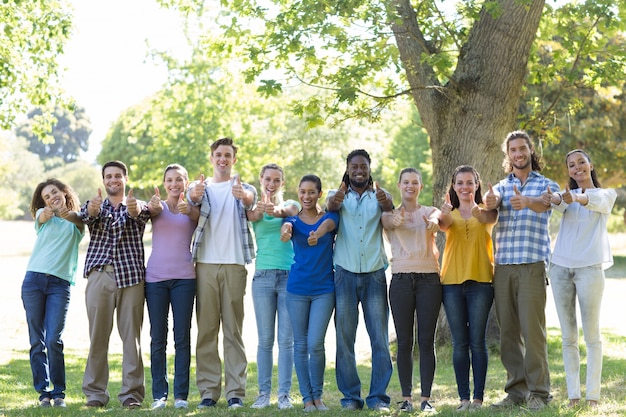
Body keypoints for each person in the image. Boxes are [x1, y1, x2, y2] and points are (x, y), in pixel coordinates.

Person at [484, 131, 559, 411]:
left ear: (530, 151)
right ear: (508, 155)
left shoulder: (546, 184)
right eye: (513, 149)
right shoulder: (501, 187)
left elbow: (545, 204)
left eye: (522, 148)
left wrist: (527, 202)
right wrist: (488, 204)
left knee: (533, 330)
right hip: (503, 266)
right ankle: (516, 391)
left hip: (532, 265)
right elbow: (488, 211)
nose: (518, 153)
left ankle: (539, 392)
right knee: (508, 332)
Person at [80, 160, 160, 409]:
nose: (113, 180)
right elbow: (87, 217)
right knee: (98, 337)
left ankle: (131, 395)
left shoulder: (138, 205)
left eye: (117, 176)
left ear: (125, 179)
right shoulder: (94, 205)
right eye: (108, 176)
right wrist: (92, 212)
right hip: (100, 276)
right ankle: (95, 393)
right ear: (103, 181)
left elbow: (141, 215)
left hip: (132, 279)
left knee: (131, 339)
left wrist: (135, 211)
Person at [187, 137, 257, 409]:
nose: (223, 159)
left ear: (234, 159)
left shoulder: (244, 188)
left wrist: (245, 196)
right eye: (218, 154)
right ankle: (208, 392)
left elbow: (252, 203)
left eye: (228, 155)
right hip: (204, 264)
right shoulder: (200, 187)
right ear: (212, 157)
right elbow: (192, 201)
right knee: (206, 330)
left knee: (233, 331)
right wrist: (193, 196)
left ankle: (236, 392)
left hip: (235, 265)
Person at [545, 149, 616, 409]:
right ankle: (574, 394)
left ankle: (593, 396)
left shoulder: (606, 195)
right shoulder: (566, 197)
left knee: (592, 335)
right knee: (568, 337)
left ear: (590, 164)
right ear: (569, 170)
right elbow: (558, 201)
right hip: (561, 269)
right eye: (572, 165)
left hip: (590, 270)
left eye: (581, 162)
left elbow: (588, 199)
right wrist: (555, 197)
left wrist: (571, 196)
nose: (577, 168)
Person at [326, 149, 394, 412]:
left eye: (363, 166)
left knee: (379, 337)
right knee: (345, 338)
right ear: (347, 168)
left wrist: (387, 202)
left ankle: (378, 397)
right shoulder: (336, 196)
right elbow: (329, 208)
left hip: (375, 274)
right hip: (344, 273)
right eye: (354, 166)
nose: (359, 170)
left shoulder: (380, 195)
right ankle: (350, 397)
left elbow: (390, 215)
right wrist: (337, 199)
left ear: (369, 167)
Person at [381, 168, 442, 413]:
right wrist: (393, 220)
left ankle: (426, 399)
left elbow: (438, 215)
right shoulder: (390, 215)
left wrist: (435, 221)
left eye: (415, 182)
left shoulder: (428, 212)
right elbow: (385, 220)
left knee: (427, 341)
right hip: (401, 280)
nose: (410, 186)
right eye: (406, 182)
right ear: (399, 185)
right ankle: (406, 399)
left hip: (429, 279)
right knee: (404, 341)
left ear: (421, 186)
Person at [438, 165, 497, 412]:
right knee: (460, 343)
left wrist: (479, 211)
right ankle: (463, 398)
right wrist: (442, 213)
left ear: (477, 185)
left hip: (481, 282)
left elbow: (488, 219)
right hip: (451, 283)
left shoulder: (486, 211)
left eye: (469, 182)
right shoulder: (448, 213)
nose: (464, 187)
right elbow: (440, 224)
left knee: (478, 342)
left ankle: (478, 399)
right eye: (460, 183)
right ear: (453, 186)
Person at [21, 179, 84, 408]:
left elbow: (76, 219)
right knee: (37, 341)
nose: (51, 198)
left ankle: (59, 394)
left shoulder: (77, 221)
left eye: (54, 192)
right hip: (33, 281)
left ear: (64, 192)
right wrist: (48, 211)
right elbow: (42, 217)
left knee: (53, 339)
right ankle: (43, 394)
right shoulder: (42, 216)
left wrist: (63, 211)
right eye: (47, 196)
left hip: (60, 285)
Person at [281, 174, 339, 412]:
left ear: (319, 194)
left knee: (316, 343)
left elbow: (328, 225)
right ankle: (307, 398)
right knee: (300, 344)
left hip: (324, 289)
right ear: (298, 192)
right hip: (297, 289)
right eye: (303, 192)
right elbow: (287, 226)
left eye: (311, 192)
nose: (306, 196)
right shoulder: (293, 220)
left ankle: (318, 396)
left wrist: (318, 233)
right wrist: (285, 230)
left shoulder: (330, 217)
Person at [145, 164, 199, 410]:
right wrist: (152, 206)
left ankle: (181, 396)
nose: (174, 184)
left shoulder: (192, 210)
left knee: (182, 338)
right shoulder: (157, 207)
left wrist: (192, 209)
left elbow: (200, 219)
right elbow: (146, 211)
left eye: (179, 180)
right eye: (170, 180)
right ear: (164, 183)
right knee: (158, 338)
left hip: (185, 280)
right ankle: (159, 395)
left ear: (186, 183)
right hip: (155, 279)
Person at [246, 164, 300, 410]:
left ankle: (285, 395)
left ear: (282, 183)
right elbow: (253, 216)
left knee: (286, 340)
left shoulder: (291, 205)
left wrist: (276, 209)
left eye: (277, 180)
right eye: (268, 179)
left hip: (289, 277)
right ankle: (263, 394)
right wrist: (262, 208)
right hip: (263, 278)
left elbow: (289, 210)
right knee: (265, 340)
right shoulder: (254, 207)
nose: (272, 183)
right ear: (261, 180)